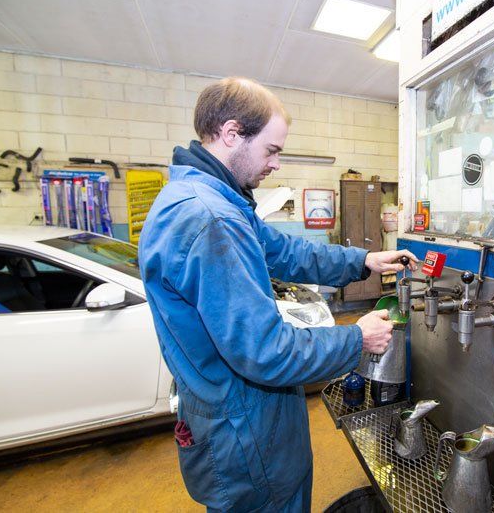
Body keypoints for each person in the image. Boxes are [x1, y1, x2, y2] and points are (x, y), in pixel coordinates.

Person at [138, 77, 418, 512]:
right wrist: (356, 340)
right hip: (247, 432)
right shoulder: (211, 218)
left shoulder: (211, 199)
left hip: (240, 419)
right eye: (271, 150)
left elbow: (282, 251)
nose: (276, 164)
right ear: (232, 134)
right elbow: (265, 351)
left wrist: (363, 262)